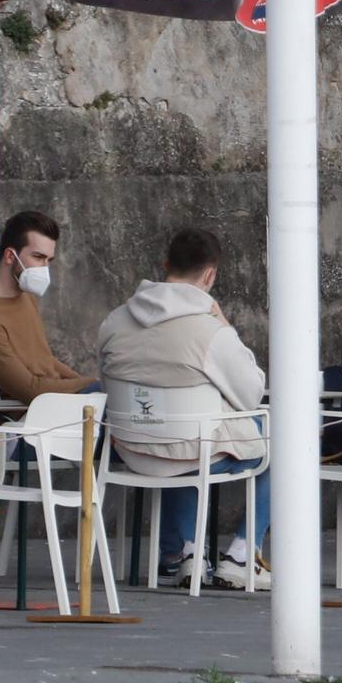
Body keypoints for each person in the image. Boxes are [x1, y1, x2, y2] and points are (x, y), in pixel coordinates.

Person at [98, 226, 270, 591]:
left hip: (132, 449)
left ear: (165, 265)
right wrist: (224, 324)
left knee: (184, 429)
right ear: (210, 275)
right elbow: (252, 393)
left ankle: (185, 552)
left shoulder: (113, 322)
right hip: (193, 449)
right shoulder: (211, 332)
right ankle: (242, 555)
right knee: (282, 437)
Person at [0, 209, 93, 404]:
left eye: (49, 260)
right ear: (10, 256)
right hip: (24, 420)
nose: (44, 268)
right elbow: (30, 389)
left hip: (58, 407)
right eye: (38, 257)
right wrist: (89, 386)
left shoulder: (25, 293)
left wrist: (84, 384)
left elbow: (43, 359)